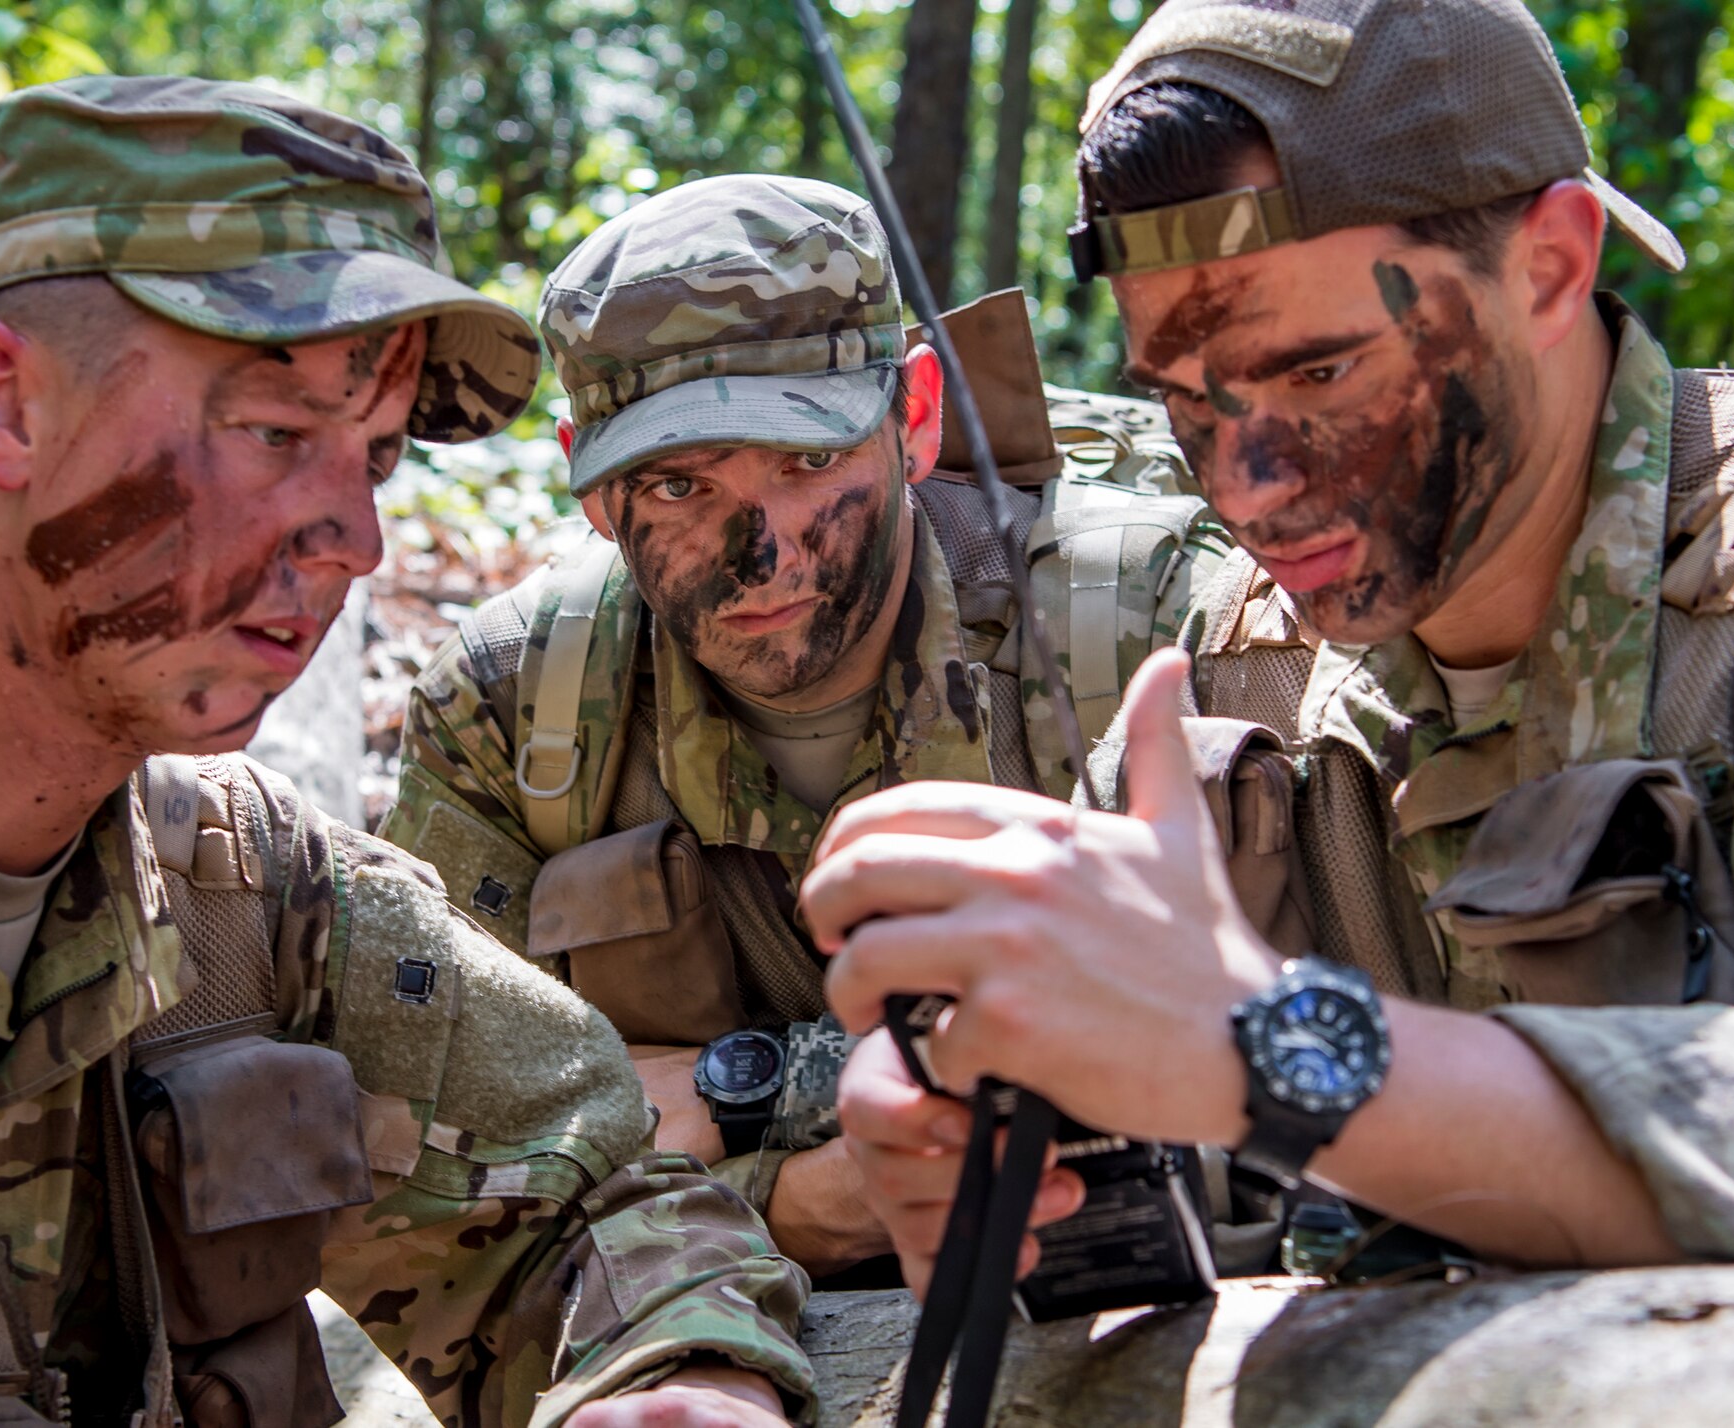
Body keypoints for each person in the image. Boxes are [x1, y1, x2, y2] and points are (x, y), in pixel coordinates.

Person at [0, 76, 813, 1428]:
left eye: (376, 458)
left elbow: (600, 1191)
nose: (356, 537)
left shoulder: (246, 890)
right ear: (4, 405)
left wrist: (683, 1384)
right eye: (276, 433)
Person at [803, 0, 1734, 1298]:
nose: (1249, 487)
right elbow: (1086, 1042)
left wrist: (1268, 1052)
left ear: (1549, 267)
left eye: (1323, 376)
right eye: (1184, 399)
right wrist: (961, 1103)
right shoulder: (1241, 664)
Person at [380, 172, 1230, 1278]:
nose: (764, 558)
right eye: (681, 488)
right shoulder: (507, 707)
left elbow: (1280, 1054)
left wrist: (731, 1098)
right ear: (590, 490)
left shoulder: (1155, 633)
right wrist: (792, 1203)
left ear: (912, 418)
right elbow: (431, 1173)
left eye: (809, 463)